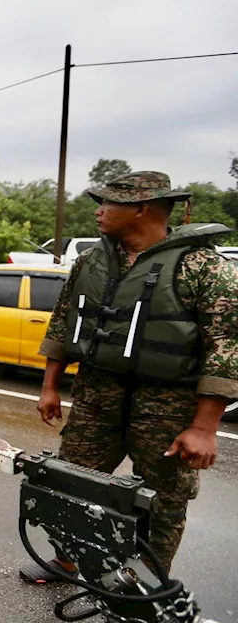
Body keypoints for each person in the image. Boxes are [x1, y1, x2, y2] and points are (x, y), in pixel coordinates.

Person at [23, 172, 238, 583]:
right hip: (96, 395)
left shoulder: (202, 267)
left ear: (141, 209)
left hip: (168, 406)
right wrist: (50, 386)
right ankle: (68, 559)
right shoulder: (92, 261)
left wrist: (204, 427)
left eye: (108, 203)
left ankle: (143, 587)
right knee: (72, 482)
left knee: (163, 502)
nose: (98, 211)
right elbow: (63, 323)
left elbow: (226, 348)